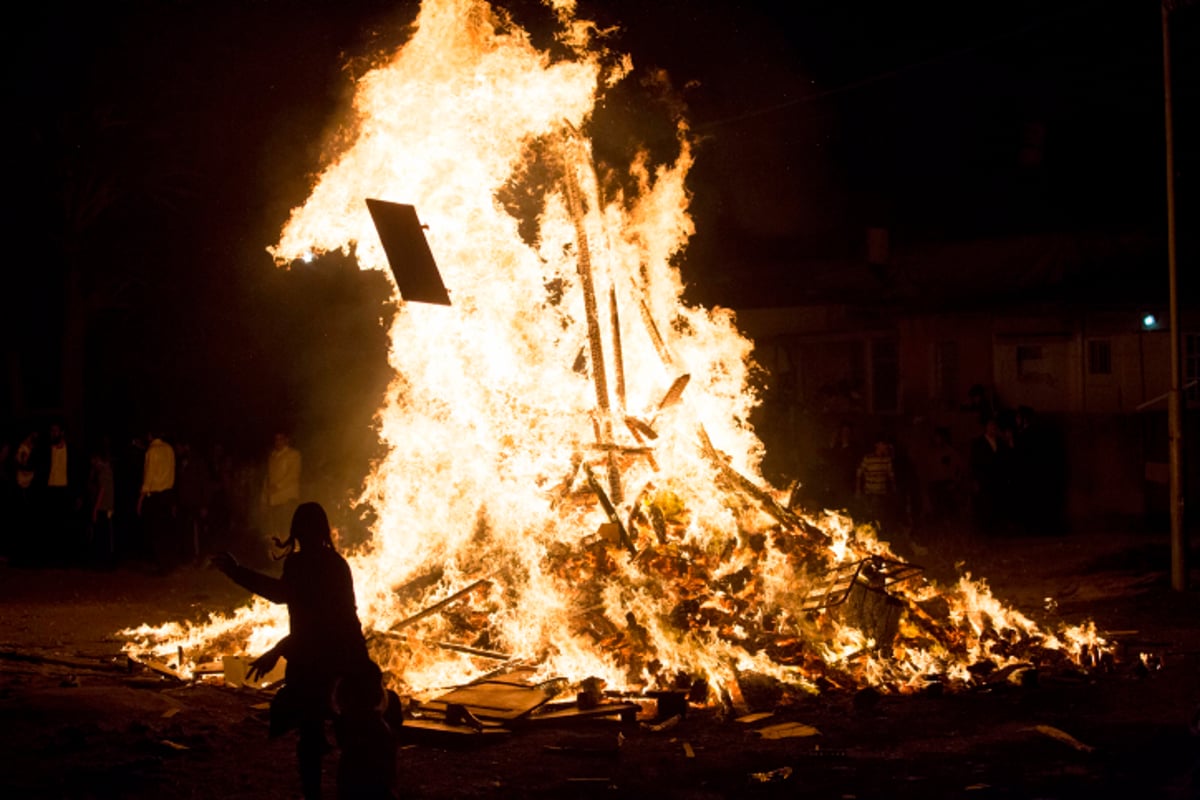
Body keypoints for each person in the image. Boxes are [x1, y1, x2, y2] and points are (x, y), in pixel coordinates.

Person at [212, 502, 384, 800]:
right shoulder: (337, 563)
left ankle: (317, 793)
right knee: (350, 731)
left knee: (313, 731)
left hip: (316, 658)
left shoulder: (300, 565)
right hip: (345, 653)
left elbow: (291, 602)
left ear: (298, 532)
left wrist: (235, 572)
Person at [138, 429, 176, 572]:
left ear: (149, 435)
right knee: (167, 530)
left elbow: (148, 476)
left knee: (157, 531)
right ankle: (169, 562)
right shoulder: (169, 449)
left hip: (156, 495)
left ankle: (162, 564)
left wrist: (141, 497)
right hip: (168, 493)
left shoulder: (151, 451)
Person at [263, 432, 302, 558]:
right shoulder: (272, 456)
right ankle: (278, 556)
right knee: (275, 529)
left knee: (287, 528)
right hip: (274, 500)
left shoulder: (293, 455)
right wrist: (265, 495)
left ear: (287, 440)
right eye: (276, 439)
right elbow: (268, 478)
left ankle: (291, 555)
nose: (278, 442)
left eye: (281, 439)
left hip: (287, 498)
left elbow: (293, 475)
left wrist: (278, 486)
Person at [856, 435, 897, 531]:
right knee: (870, 515)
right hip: (869, 492)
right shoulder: (868, 458)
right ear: (877, 445)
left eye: (885, 445)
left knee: (880, 516)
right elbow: (859, 474)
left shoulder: (887, 459)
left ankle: (878, 535)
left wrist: (894, 488)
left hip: (881, 493)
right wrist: (857, 490)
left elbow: (891, 475)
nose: (885, 447)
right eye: (883, 444)